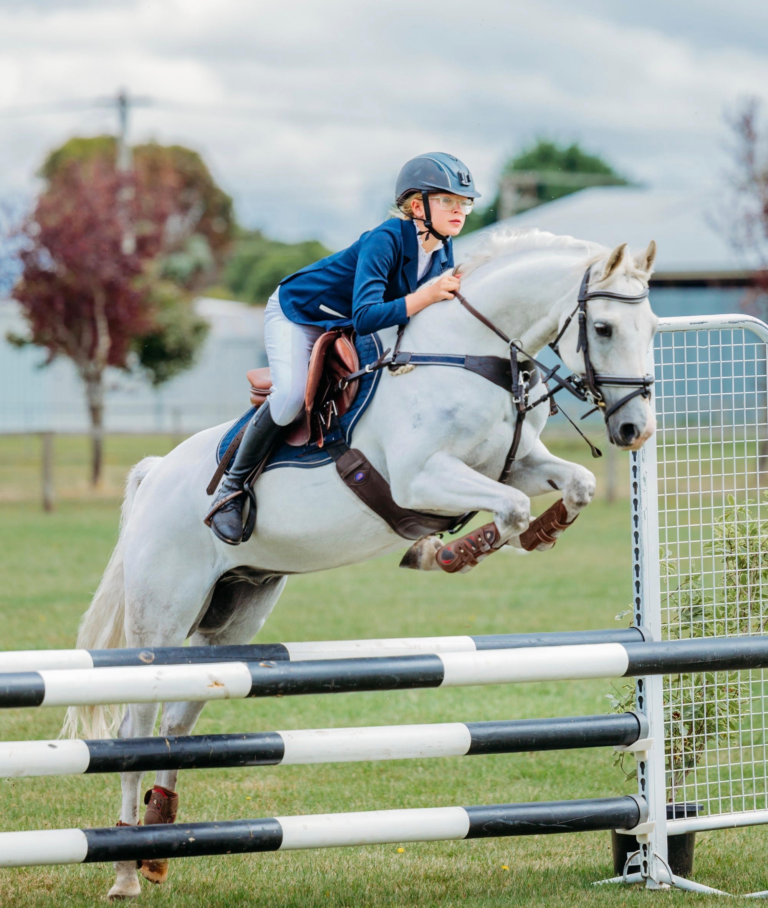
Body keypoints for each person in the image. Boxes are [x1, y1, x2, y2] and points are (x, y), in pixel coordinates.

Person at [206, 152, 480, 544]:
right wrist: (430, 295)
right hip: (298, 312)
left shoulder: (442, 249)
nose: (459, 211)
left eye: (465, 203)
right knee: (287, 399)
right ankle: (230, 490)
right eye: (448, 201)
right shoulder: (385, 239)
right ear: (416, 206)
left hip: (340, 323)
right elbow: (367, 315)